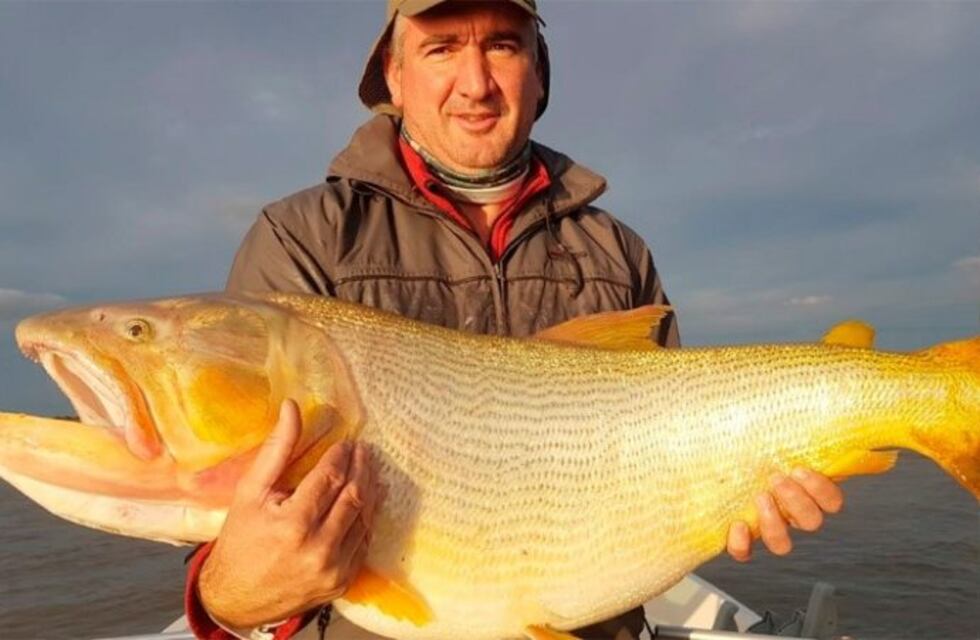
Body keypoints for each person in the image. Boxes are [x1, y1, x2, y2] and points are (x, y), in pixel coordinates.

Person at [184, 1, 845, 638]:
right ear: (394, 72)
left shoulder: (619, 250)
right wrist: (232, 594)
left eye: (502, 45)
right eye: (441, 48)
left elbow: (669, 461)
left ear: (539, 70)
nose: (475, 83)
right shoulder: (305, 238)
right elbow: (229, 532)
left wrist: (746, 492)